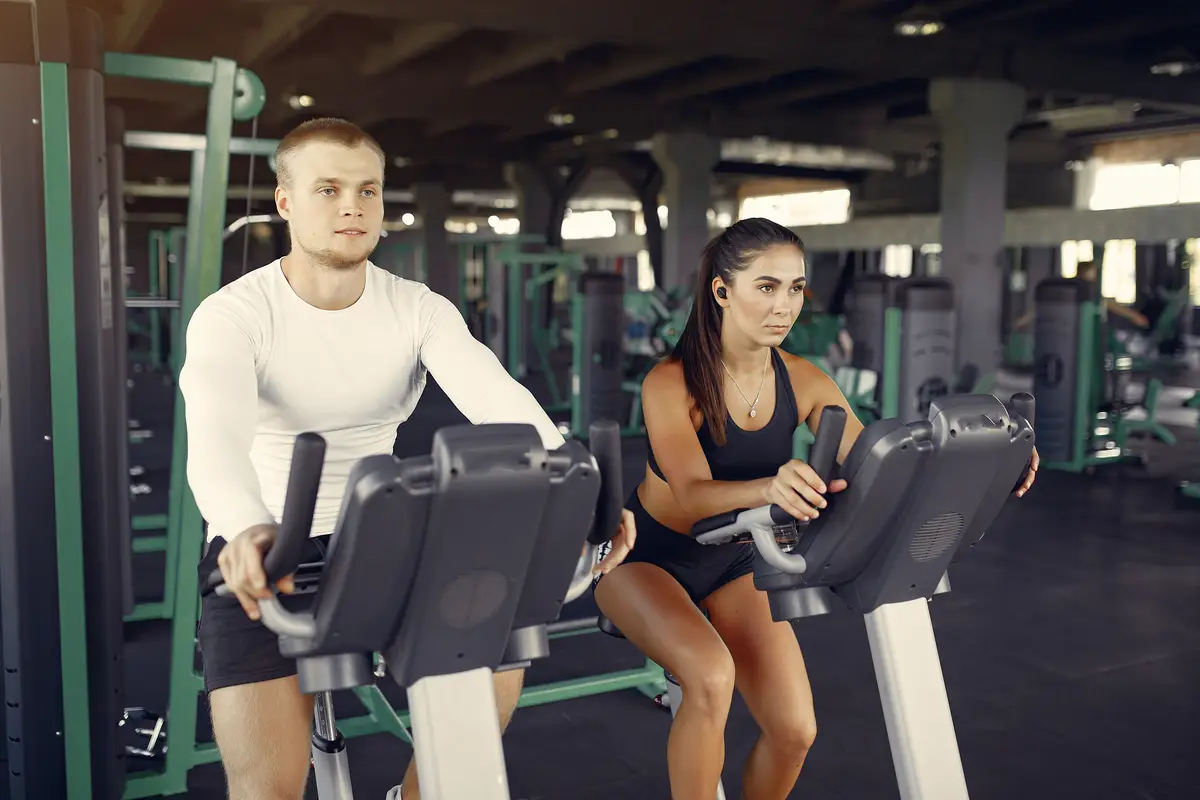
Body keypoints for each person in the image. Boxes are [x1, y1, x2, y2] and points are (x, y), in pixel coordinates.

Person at [177, 117, 636, 800]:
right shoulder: (234, 315)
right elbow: (213, 437)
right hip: (269, 547)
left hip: (386, 538)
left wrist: (584, 488)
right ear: (285, 201)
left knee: (495, 664)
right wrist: (241, 525)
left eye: (367, 191)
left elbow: (502, 401)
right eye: (328, 189)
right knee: (267, 790)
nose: (351, 207)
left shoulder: (416, 309)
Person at [593, 218, 1039, 800]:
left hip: (733, 561)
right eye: (767, 286)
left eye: (796, 288)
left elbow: (878, 468)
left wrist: (985, 470)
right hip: (642, 557)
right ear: (722, 292)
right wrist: (769, 487)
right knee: (710, 678)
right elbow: (691, 495)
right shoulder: (670, 382)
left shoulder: (804, 379)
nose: (785, 305)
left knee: (795, 730)